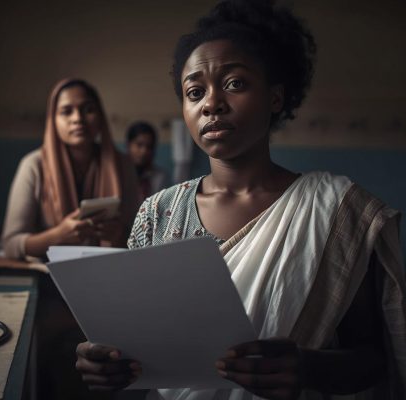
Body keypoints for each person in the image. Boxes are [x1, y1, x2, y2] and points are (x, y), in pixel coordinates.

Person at [75, 1, 406, 399]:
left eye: (235, 83)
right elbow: (135, 345)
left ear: (276, 97)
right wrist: (107, 363)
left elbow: (374, 359)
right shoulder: (157, 212)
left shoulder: (336, 212)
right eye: (194, 92)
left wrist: (308, 367)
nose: (211, 103)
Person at [1, 78, 139, 260]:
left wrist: (119, 234)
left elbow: (139, 239)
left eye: (88, 110)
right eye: (66, 111)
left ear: (101, 117)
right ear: (53, 120)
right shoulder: (33, 165)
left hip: (107, 273)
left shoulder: (123, 165)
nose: (78, 119)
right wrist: (56, 237)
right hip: (47, 277)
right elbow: (10, 245)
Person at [126, 121, 170, 201]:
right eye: (139, 145)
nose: (144, 151)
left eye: (149, 146)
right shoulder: (119, 174)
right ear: (129, 145)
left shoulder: (160, 177)